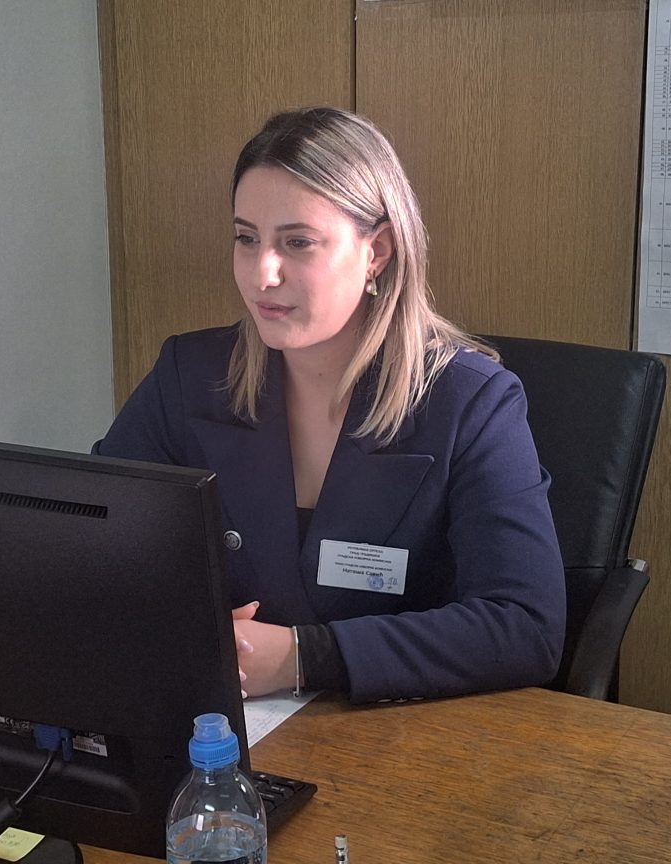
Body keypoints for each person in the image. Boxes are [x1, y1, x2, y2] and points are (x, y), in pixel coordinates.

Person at [95, 107, 564, 704]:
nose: (262, 274)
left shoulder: (470, 402)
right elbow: (97, 539)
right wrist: (175, 622)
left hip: (398, 727)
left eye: (298, 243)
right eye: (246, 238)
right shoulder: (190, 375)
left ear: (377, 251)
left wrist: (302, 656)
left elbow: (524, 626)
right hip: (224, 722)